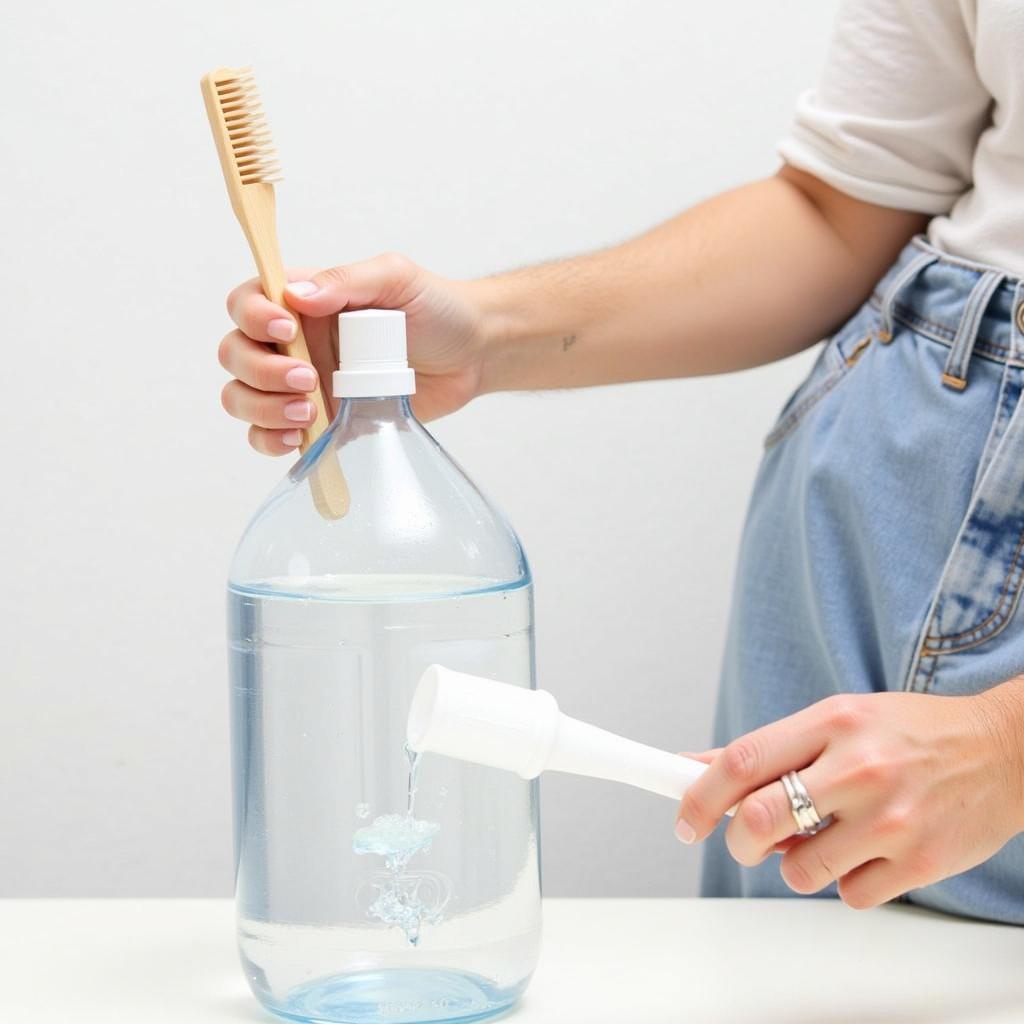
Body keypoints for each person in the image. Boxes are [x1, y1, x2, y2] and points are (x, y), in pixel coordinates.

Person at [216, 2, 1024, 924]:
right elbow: (841, 209)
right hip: (860, 546)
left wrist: (1007, 744)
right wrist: (483, 336)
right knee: (798, 954)